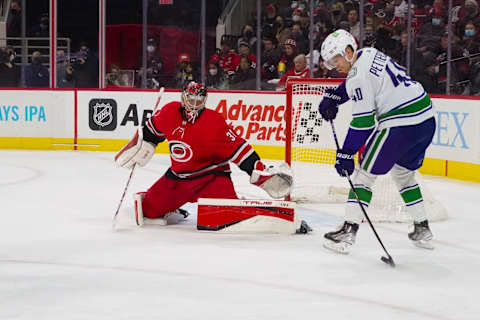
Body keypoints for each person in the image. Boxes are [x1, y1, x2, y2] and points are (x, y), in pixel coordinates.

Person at [318, 30, 436, 253]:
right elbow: (358, 83)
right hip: (426, 119)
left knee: (364, 174)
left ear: (349, 51)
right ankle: (422, 226)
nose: (335, 66)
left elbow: (364, 122)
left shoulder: (356, 76)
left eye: (337, 60)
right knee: (403, 174)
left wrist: (346, 152)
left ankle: (348, 231)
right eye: (331, 63)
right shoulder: (369, 53)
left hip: (400, 124)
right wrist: (334, 97)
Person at [114, 82, 293, 226]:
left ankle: (237, 201)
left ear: (205, 100)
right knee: (147, 211)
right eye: (190, 97)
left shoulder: (214, 122)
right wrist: (141, 146)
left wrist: (258, 169)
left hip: (210, 177)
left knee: (226, 217)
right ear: (183, 96)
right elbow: (151, 131)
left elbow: (239, 149)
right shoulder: (169, 112)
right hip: (178, 178)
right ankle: (174, 208)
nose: (194, 102)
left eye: (199, 99)